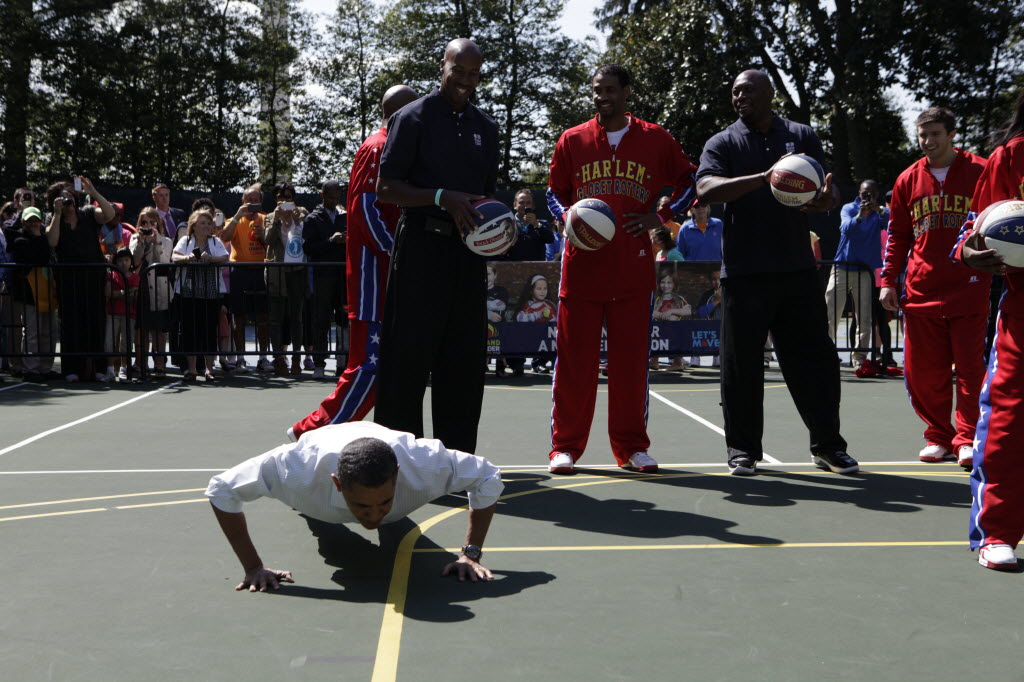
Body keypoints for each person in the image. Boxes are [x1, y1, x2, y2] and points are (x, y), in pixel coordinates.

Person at [695, 69, 857, 476]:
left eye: (748, 90)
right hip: (744, 272)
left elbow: (826, 189)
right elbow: (706, 189)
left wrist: (825, 200)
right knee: (741, 367)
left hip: (796, 269)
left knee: (816, 362)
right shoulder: (723, 142)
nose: (740, 97)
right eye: (735, 91)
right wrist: (765, 177)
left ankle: (828, 446)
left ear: (770, 93)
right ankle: (743, 449)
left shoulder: (801, 135)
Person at [545, 63, 696, 475]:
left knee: (630, 366)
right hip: (582, 269)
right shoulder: (573, 139)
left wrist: (661, 216)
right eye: (597, 90)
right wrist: (567, 216)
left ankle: (632, 447)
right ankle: (564, 447)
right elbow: (553, 192)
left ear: (626, 92)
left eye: (610, 89)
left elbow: (691, 180)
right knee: (574, 365)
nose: (602, 96)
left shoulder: (655, 138)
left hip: (632, 268)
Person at [374, 38, 499, 454]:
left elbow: (486, 197)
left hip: (467, 255)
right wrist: (442, 197)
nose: (465, 80)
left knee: (463, 363)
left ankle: (455, 462)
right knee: (406, 362)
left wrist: (498, 227)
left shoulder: (486, 128)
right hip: (420, 250)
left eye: (473, 74)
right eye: (457, 70)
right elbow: (386, 189)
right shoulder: (411, 118)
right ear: (441, 67)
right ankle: (398, 462)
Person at [207, 421, 503, 590]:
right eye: (362, 506)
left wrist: (471, 554)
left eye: (384, 502)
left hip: (380, 439)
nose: (373, 516)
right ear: (337, 483)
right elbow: (221, 489)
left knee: (393, 519)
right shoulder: (294, 471)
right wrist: (253, 567)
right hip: (321, 454)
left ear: (398, 475)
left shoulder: (426, 463)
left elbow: (488, 476)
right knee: (322, 526)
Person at [290, 85, 420, 437]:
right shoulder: (378, 147)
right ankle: (312, 431)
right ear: (401, 114)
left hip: (387, 278)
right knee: (368, 369)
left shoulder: (393, 148)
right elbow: (365, 210)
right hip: (374, 280)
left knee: (390, 370)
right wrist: (400, 256)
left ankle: (387, 441)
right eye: (415, 112)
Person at [880, 107, 988, 468]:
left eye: (936, 134)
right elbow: (898, 235)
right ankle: (938, 436)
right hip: (921, 286)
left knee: (970, 369)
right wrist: (888, 281)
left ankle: (967, 437)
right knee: (924, 372)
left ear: (952, 135)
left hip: (969, 284)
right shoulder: (907, 179)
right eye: (923, 135)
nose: (928, 141)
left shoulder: (981, 170)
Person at [955, 89, 1024, 570]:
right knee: (1008, 422)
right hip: (1023, 310)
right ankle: (997, 531)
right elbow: (971, 233)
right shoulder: (1011, 157)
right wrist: (969, 253)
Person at [44, 177, 115, 382]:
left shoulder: (88, 213)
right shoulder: (52, 218)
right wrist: (57, 213)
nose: (67, 199)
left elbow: (110, 215)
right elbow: (52, 241)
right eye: (62, 197)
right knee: (70, 322)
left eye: (69, 195)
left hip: (93, 277)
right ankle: (71, 369)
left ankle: (99, 368)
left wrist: (93, 193)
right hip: (68, 279)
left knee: (95, 321)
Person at [827, 180, 888, 376]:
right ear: (859, 193)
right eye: (864, 193)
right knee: (831, 313)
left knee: (865, 317)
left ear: (877, 195)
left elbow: (891, 223)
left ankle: (859, 359)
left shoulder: (879, 213)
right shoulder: (848, 208)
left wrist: (877, 209)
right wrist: (860, 215)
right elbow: (846, 229)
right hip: (842, 267)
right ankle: (826, 354)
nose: (867, 197)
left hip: (865, 271)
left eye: (871, 194)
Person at [172, 209, 229, 381]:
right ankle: (191, 369)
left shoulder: (215, 241)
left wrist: (210, 258)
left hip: (210, 293)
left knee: (209, 331)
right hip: (189, 293)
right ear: (194, 226)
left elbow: (225, 257)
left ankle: (209, 369)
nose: (206, 226)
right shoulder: (186, 240)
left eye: (209, 223)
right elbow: (174, 256)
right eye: (202, 223)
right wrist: (188, 258)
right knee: (190, 331)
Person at [221, 185, 272, 373]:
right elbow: (224, 237)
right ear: (243, 201)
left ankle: (263, 358)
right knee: (239, 316)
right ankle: (240, 358)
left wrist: (263, 237)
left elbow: (273, 244)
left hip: (262, 272)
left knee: (263, 316)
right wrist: (237, 216)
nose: (252, 203)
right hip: (240, 271)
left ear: (261, 202)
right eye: (249, 200)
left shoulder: (266, 220)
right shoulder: (234, 220)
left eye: (256, 200)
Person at [302, 179, 348, 380]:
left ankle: (342, 363)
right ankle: (319, 363)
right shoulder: (313, 219)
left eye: (337, 197)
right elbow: (308, 248)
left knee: (343, 319)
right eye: (331, 197)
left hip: (342, 275)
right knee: (321, 319)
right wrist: (331, 241)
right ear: (322, 196)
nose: (335, 201)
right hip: (323, 276)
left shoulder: (345, 216)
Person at [262, 181, 307, 376]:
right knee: (276, 318)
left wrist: (298, 219)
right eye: (280, 197)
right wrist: (277, 219)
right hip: (277, 271)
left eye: (288, 197)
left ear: (293, 199)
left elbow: (308, 237)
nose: (284, 200)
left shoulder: (302, 213)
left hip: (297, 270)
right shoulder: (270, 217)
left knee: (296, 317)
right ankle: (279, 359)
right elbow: (268, 240)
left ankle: (296, 359)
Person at [9, 206, 59, 380]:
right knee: (32, 331)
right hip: (29, 294)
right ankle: (31, 368)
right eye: (29, 220)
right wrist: (38, 237)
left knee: (48, 331)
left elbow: (45, 256)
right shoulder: (19, 240)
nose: (33, 224)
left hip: (46, 290)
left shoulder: (43, 238)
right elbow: (36, 258)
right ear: (23, 221)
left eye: (36, 220)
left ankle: (45, 367)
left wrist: (40, 237)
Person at [129, 207, 174, 377]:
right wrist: (142, 241)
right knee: (141, 328)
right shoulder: (135, 238)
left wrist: (156, 242)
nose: (148, 226)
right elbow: (134, 261)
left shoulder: (166, 241)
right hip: (141, 287)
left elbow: (164, 262)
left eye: (152, 222)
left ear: (158, 223)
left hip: (159, 288)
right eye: (144, 222)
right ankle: (140, 363)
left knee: (159, 330)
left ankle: (159, 363)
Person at [102, 247, 139, 382]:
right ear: (116, 262)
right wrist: (124, 292)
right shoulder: (111, 275)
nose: (123, 263)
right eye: (120, 260)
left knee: (126, 343)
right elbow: (108, 292)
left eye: (126, 260)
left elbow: (134, 295)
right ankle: (110, 370)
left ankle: (124, 369)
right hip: (112, 313)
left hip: (129, 314)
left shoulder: (135, 277)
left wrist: (119, 294)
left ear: (131, 261)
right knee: (110, 342)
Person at [652, 269, 691, 371]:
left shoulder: (678, 298)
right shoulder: (657, 298)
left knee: (675, 336)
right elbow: (651, 311)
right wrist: (662, 315)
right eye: (663, 282)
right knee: (655, 338)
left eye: (669, 282)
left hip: (674, 330)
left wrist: (672, 311)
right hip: (659, 329)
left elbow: (688, 310)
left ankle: (677, 363)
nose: (666, 285)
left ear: (674, 284)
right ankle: (654, 361)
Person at [504, 189, 554, 261]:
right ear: (515, 205)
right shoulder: (507, 225)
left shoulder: (542, 224)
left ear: (533, 206)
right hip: (512, 266)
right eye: (521, 203)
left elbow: (550, 239)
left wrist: (536, 224)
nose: (525, 206)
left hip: (536, 267)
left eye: (528, 203)